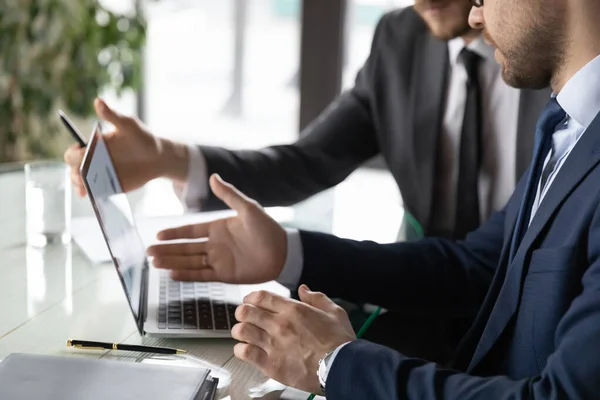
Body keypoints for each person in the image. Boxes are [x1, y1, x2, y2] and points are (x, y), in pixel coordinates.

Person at [144, 0, 600, 395]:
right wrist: (287, 252)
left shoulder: (556, 103)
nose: (477, 15)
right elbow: (479, 266)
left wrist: (333, 363)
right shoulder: (565, 124)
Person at [65, 1, 549, 241]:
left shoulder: (557, 53)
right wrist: (167, 159)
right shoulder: (399, 40)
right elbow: (307, 161)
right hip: (418, 310)